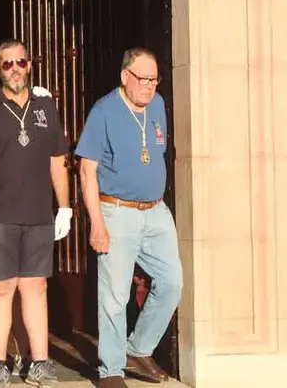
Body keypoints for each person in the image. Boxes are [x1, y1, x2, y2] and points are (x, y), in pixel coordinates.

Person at [0, 40, 72, 387]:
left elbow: (58, 162)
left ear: (29, 65)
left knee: (35, 288)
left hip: (39, 214)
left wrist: (66, 208)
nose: (14, 69)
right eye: (7, 64)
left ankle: (40, 361)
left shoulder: (47, 108)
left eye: (20, 63)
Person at [75, 47, 182, 387]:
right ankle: (111, 369)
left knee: (172, 282)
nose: (149, 86)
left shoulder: (158, 105)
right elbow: (86, 170)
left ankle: (138, 348)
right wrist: (97, 223)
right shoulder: (104, 111)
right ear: (125, 77)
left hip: (155, 211)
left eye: (154, 79)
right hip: (116, 210)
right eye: (142, 79)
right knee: (115, 295)